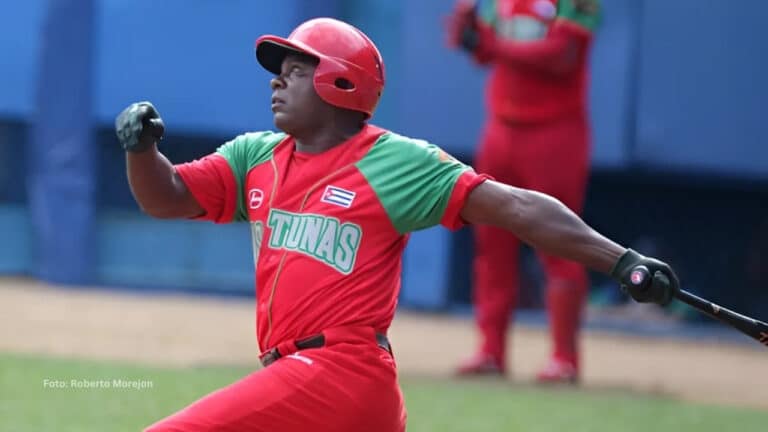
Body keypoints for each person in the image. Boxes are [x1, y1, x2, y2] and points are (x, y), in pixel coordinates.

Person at [116, 17, 677, 432]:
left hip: (339, 372)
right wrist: (142, 150)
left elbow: (519, 208)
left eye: (294, 71)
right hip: (319, 385)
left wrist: (622, 261)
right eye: (278, 74)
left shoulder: (395, 162)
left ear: (339, 82)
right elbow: (168, 197)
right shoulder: (254, 156)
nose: (276, 83)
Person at [446, 0, 601, 382]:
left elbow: (560, 56)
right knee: (491, 242)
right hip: (501, 129)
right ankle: (490, 351)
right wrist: (468, 33)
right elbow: (483, 54)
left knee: (561, 243)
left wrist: (494, 45)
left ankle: (564, 359)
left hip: (555, 132)